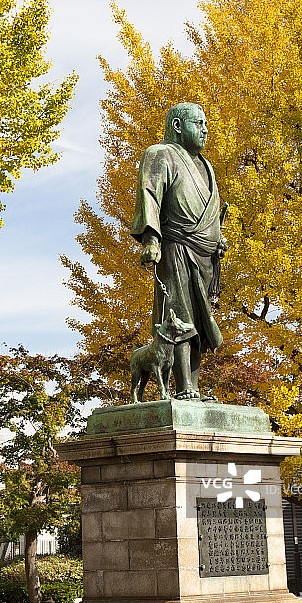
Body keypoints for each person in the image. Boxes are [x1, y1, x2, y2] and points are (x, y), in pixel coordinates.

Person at [131, 102, 227, 400]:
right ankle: (185, 387)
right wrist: (151, 239)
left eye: (206, 124)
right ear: (177, 126)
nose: (205, 129)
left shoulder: (206, 166)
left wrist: (217, 236)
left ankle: (193, 386)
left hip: (205, 253)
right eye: (199, 123)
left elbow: (209, 212)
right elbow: (149, 195)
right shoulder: (160, 154)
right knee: (179, 314)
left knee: (200, 321)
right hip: (176, 247)